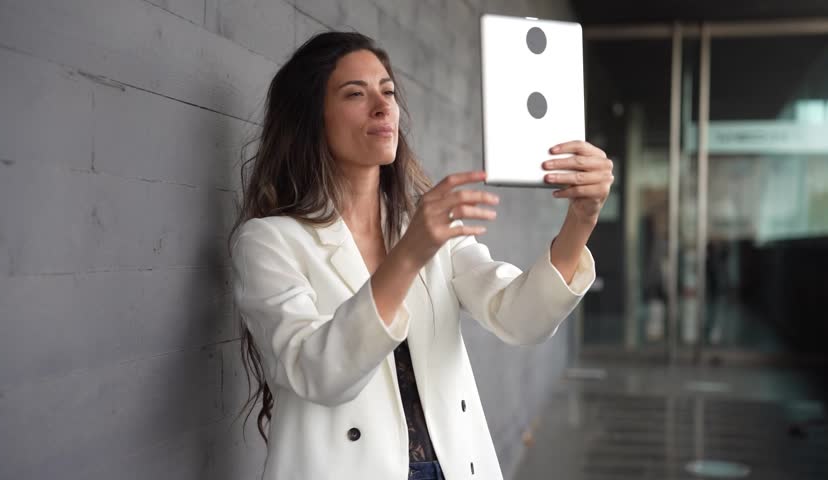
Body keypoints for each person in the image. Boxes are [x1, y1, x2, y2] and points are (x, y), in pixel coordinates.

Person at [229, 31, 613, 480]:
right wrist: (409, 254)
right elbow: (316, 372)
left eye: (387, 91)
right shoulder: (270, 242)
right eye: (356, 93)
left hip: (454, 466)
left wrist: (581, 220)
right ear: (311, 118)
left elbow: (518, 317)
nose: (382, 106)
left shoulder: (426, 227)